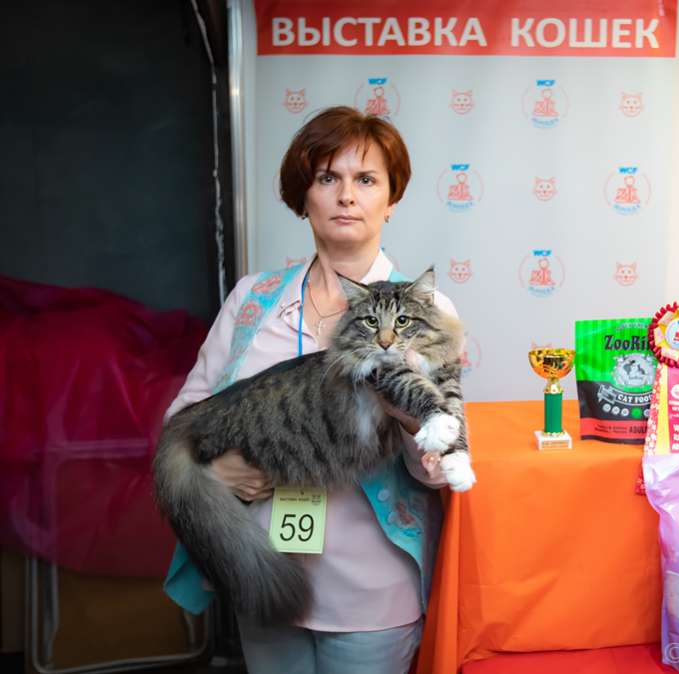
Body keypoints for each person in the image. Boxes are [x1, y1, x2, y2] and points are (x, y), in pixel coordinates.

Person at [161, 106, 460, 674]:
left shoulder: (426, 311)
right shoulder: (253, 299)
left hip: (372, 594)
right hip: (261, 575)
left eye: (366, 179)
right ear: (304, 196)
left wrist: (410, 415)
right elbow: (185, 415)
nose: (346, 196)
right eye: (327, 178)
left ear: (391, 200)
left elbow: (439, 471)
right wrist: (216, 473)